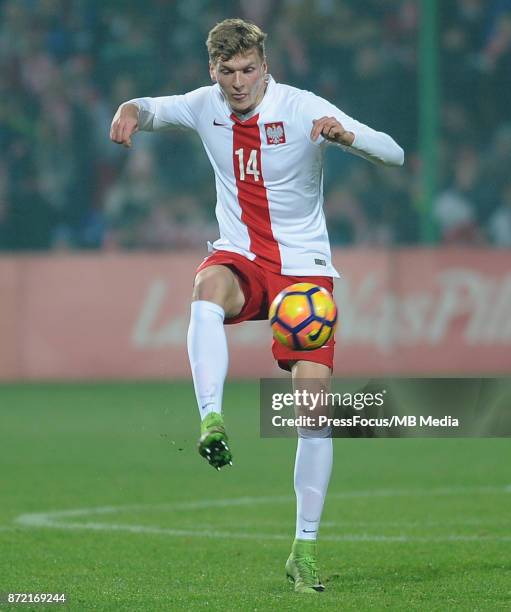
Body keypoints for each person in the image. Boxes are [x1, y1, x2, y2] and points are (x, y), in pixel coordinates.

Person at [110, 18, 404, 594]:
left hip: (303, 274)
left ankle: (305, 548)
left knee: (313, 415)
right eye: (228, 72)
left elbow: (393, 152)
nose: (239, 82)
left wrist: (348, 138)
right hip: (241, 256)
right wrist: (127, 109)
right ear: (213, 73)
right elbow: (149, 107)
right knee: (205, 290)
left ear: (266, 67)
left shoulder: (301, 107)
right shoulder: (203, 106)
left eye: (249, 70)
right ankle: (212, 417)